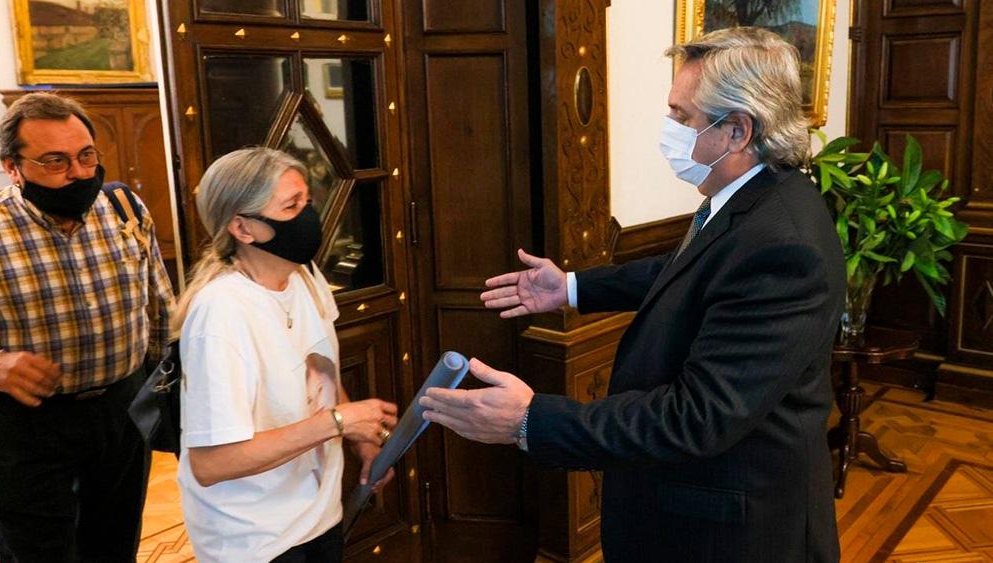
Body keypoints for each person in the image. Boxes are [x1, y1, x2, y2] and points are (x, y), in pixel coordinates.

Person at [421, 27, 845, 562]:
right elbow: (685, 271)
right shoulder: (752, 195)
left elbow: (697, 416)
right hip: (692, 507)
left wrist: (528, 421)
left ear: (737, 130)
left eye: (683, 117)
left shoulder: (784, 245)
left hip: (730, 533)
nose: (670, 130)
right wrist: (572, 288)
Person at [173, 147, 398, 562]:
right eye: (291, 206)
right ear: (243, 228)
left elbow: (320, 372)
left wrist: (360, 436)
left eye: (307, 202)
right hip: (255, 538)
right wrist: (336, 422)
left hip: (317, 516)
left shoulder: (303, 275)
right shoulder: (221, 313)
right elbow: (211, 462)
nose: (309, 217)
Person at [0, 92, 175, 561]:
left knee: (114, 544)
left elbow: (159, 306)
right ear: (13, 167)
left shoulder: (123, 209)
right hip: (27, 426)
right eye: (55, 161)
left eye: (86, 155)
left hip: (121, 411)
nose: (79, 173)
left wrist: (166, 385)